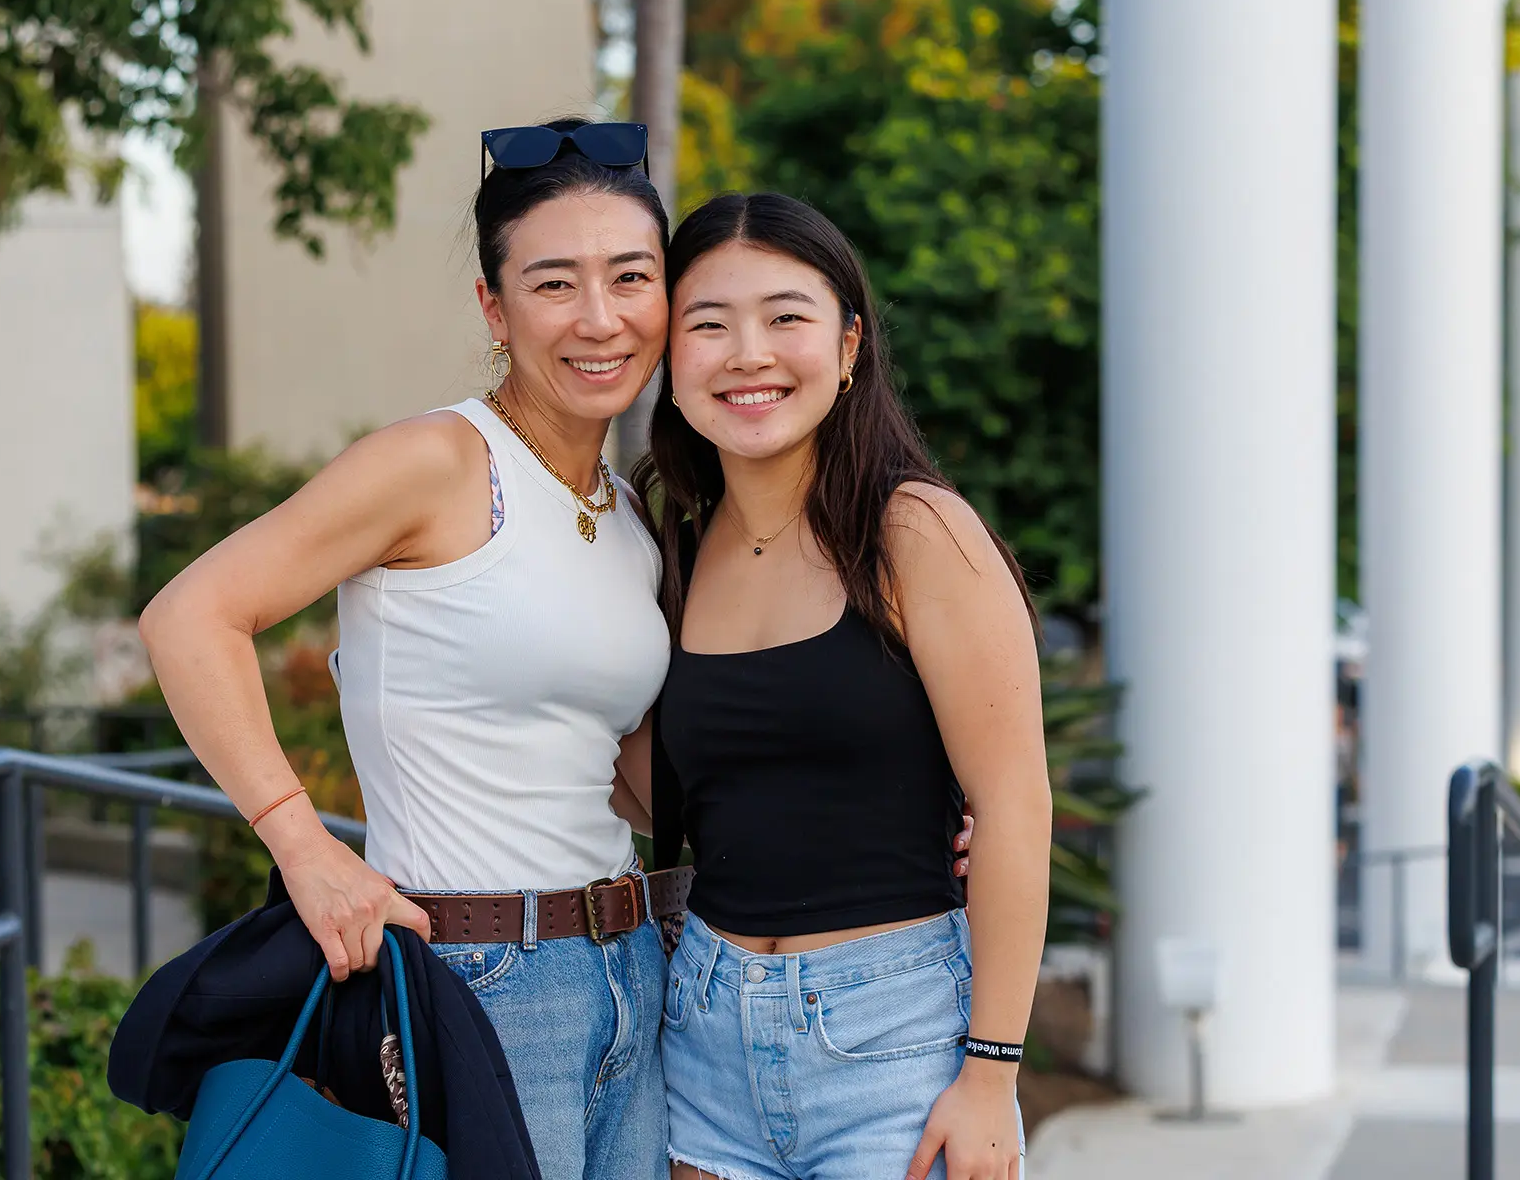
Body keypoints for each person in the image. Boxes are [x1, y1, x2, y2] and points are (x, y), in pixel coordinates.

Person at [138, 118, 681, 1180]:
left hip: (627, 971)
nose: (601, 318)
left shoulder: (623, 513)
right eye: (555, 283)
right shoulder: (438, 461)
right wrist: (304, 847)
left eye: (632, 277)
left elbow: (629, 776)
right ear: (494, 305)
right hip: (481, 982)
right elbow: (191, 615)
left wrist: (892, 831)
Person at [634, 193, 1051, 1180]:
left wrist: (991, 1073)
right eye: (708, 323)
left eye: (786, 316)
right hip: (701, 1034)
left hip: (897, 1046)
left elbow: (1015, 805)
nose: (748, 353)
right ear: (670, 360)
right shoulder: (676, 554)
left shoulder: (916, 533)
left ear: (850, 343)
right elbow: (661, 791)